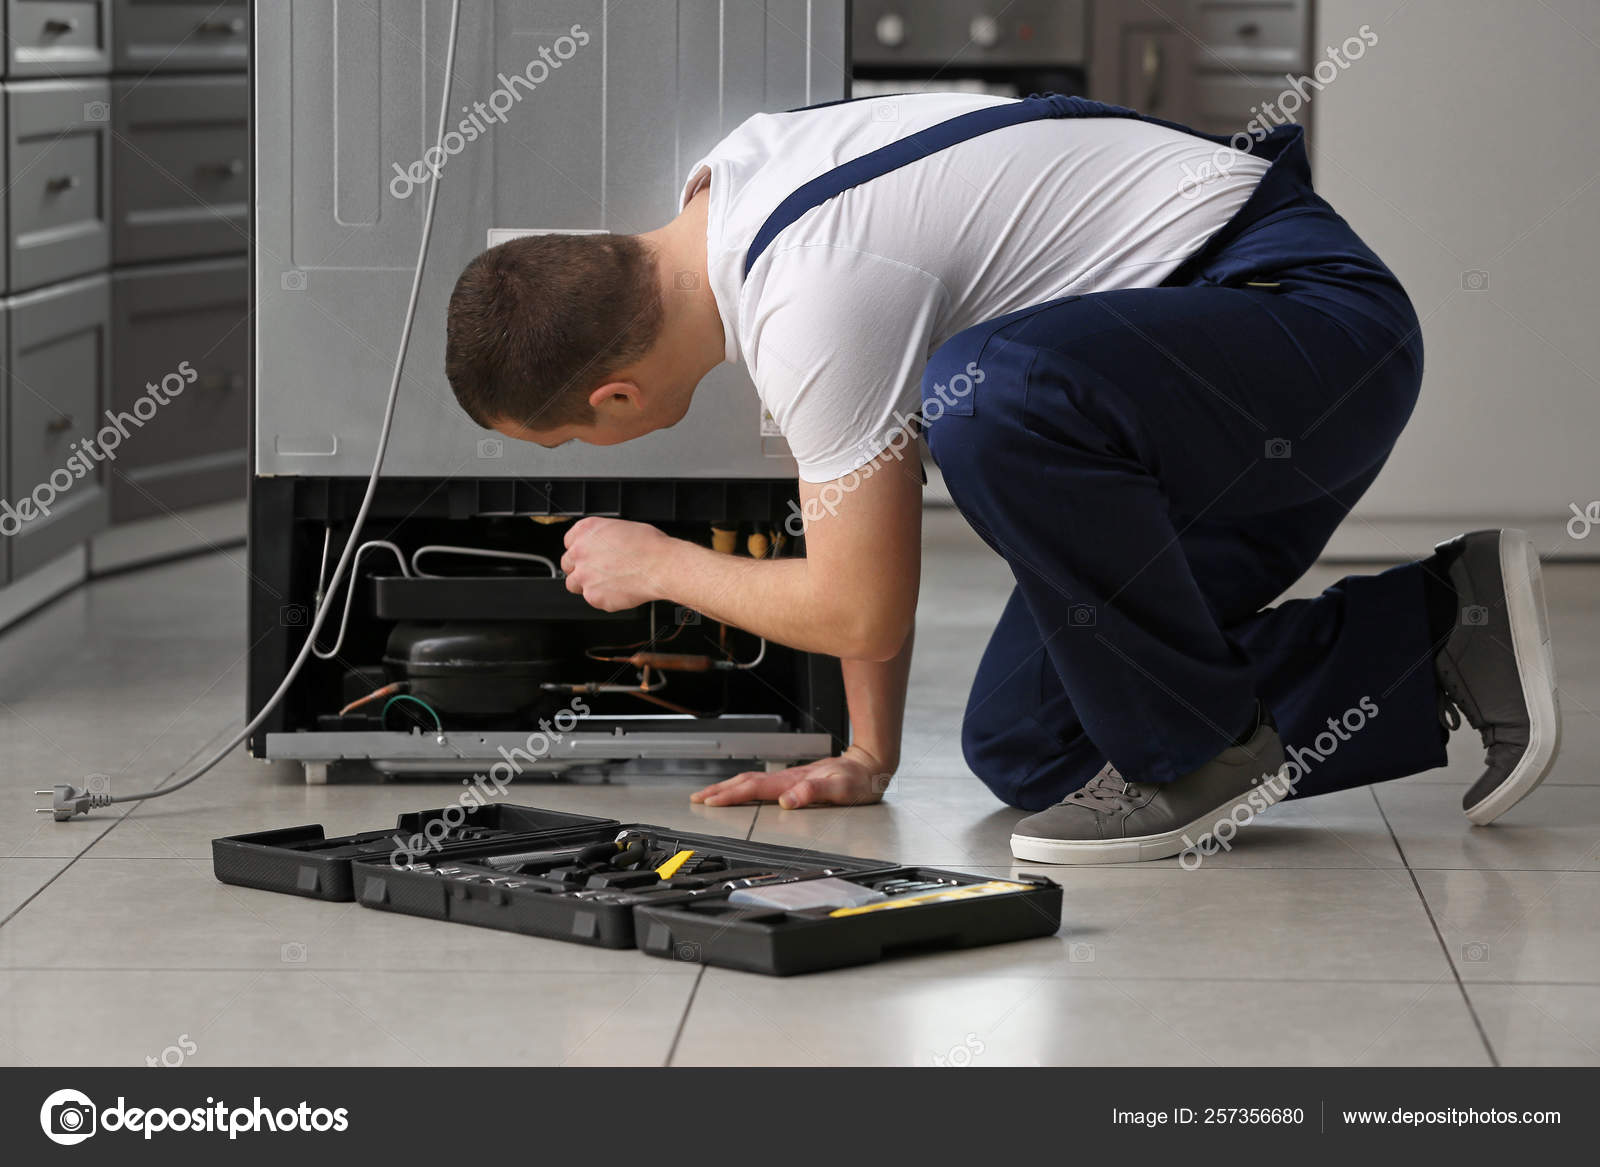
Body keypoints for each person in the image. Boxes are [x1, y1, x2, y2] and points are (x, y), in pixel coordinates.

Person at [443, 92, 1559, 863]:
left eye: (567, 446)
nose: (584, 461)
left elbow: (855, 602)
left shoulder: (808, 298)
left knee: (987, 390)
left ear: (614, 400)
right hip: (1179, 391)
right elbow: (846, 502)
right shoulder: (729, 197)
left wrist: (661, 564)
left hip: (1301, 327)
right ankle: (1438, 629)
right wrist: (868, 752)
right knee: (1033, 748)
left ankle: (1200, 751)